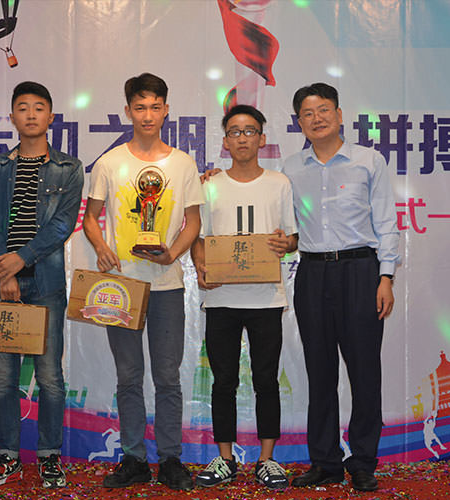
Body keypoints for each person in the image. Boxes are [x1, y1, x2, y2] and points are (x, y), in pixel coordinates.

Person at [83, 73, 204, 491]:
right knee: (129, 376)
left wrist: (173, 254)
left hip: (167, 284)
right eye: (140, 107)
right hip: (121, 285)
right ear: (128, 111)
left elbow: (193, 221)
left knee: (168, 377)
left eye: (155, 107)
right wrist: (101, 247)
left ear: (166, 110)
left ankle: (170, 459)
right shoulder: (110, 162)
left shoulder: (182, 163)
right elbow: (91, 218)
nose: (148, 115)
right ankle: (134, 458)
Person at [282, 83, 400, 492]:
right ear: (299, 122)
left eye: (324, 110)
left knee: (365, 372)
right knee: (320, 374)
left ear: (339, 114)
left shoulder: (369, 161)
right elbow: (286, 227)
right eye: (308, 113)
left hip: (361, 272)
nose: (317, 118)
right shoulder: (290, 169)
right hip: (312, 273)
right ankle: (325, 462)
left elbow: (386, 223)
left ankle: (363, 461)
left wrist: (386, 276)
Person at [0, 81, 84, 488]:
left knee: (49, 377)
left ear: (51, 117)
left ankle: (49, 455)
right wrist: (5, 273)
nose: (31, 114)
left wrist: (21, 260)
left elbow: (62, 225)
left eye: (39, 107)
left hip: (45, 283)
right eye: (23, 107)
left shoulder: (69, 168)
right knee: (4, 378)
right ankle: (6, 455)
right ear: (12, 117)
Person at [191, 105, 298, 491]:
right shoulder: (209, 185)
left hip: (266, 298)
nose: (242, 138)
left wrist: (286, 243)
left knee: (266, 380)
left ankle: (267, 460)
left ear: (262, 139)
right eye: (234, 132)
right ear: (225, 141)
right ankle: (225, 459)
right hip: (221, 298)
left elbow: (292, 237)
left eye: (249, 131)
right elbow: (198, 237)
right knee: (223, 382)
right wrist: (200, 266)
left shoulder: (279, 183)